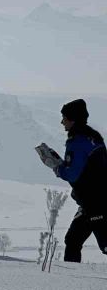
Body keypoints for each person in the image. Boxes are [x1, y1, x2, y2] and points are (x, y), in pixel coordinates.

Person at [53, 99, 107, 262]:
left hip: (96, 202)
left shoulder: (77, 141)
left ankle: (72, 280)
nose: (62, 121)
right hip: (92, 201)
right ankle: (71, 280)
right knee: (73, 239)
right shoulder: (93, 137)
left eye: (64, 117)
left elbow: (72, 174)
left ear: (73, 119)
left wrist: (56, 168)